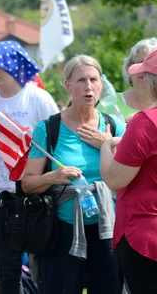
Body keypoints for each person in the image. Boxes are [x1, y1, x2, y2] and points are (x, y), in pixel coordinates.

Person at [22, 55, 126, 294]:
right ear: (67, 86)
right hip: (62, 230)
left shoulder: (114, 126)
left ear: (101, 84)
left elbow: (128, 177)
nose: (88, 87)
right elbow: (27, 184)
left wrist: (107, 145)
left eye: (94, 79)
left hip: (108, 229)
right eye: (81, 80)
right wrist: (53, 177)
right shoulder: (49, 128)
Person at [0, 41, 59, 294]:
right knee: (6, 268)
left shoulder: (38, 98)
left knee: (43, 262)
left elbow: (55, 140)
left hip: (34, 195)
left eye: (0, 65)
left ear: (16, 65)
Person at [100, 48, 157, 294]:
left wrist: (106, 146)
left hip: (145, 236)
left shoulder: (145, 122)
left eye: (143, 76)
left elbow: (114, 179)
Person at [114, 38, 157, 121]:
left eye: (151, 65)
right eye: (140, 63)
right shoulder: (110, 103)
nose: (145, 70)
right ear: (128, 67)